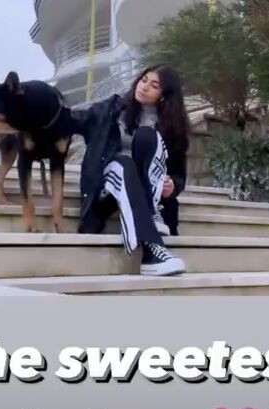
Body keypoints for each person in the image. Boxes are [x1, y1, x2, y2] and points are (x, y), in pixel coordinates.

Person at [70, 64, 191, 276]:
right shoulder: (112, 108)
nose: (144, 87)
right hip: (109, 184)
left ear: (164, 95)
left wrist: (172, 186)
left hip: (148, 190)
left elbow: (178, 175)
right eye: (144, 80)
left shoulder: (172, 128)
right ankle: (152, 250)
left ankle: (150, 212)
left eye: (154, 86)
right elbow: (76, 119)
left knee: (146, 136)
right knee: (124, 164)